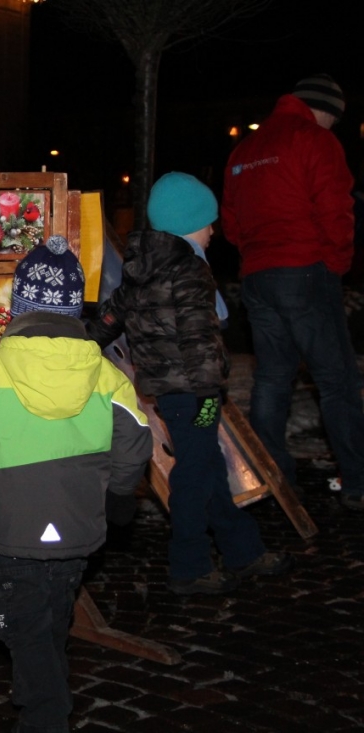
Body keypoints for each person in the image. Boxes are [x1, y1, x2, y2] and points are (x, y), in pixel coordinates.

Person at [0, 235, 152, 733]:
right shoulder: (106, 375)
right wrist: (120, 497)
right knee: (51, 619)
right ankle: (45, 703)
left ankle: (46, 717)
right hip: (78, 523)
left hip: (12, 528)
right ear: (75, 309)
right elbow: (137, 441)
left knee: (24, 630)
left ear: (19, 307)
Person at [88, 172, 294, 595]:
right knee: (195, 475)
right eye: (207, 223)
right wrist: (210, 391)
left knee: (208, 466)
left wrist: (83, 342)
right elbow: (200, 333)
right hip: (196, 392)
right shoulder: (188, 268)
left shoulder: (143, 267)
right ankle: (189, 565)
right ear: (187, 225)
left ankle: (242, 550)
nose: (213, 231)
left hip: (172, 393)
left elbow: (112, 315)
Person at [221, 74, 364, 511]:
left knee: (272, 378)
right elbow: (336, 208)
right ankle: (357, 481)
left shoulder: (245, 150)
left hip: (258, 276)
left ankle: (275, 477)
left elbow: (231, 222)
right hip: (305, 270)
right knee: (337, 381)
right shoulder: (315, 140)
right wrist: (336, 263)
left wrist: (256, 256)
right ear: (326, 111)